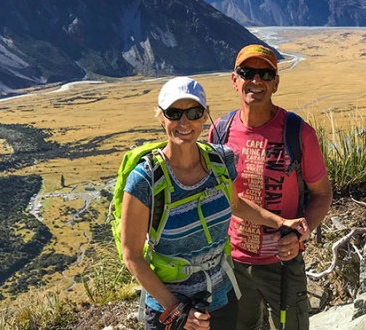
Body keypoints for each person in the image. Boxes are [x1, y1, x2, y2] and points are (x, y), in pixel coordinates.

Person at [120, 76, 308, 330]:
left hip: (220, 298)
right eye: (174, 113)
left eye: (194, 112)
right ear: (161, 117)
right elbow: (132, 256)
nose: (184, 122)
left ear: (205, 115)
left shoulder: (220, 161)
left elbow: (236, 204)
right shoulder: (145, 180)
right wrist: (177, 310)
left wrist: (280, 222)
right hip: (170, 311)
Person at [208, 45, 334, 330]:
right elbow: (220, 197)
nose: (256, 80)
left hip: (283, 265)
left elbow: (322, 194)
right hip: (233, 263)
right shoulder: (220, 131)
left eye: (265, 73)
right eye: (247, 72)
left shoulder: (298, 133)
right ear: (234, 80)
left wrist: (302, 232)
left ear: (276, 82)